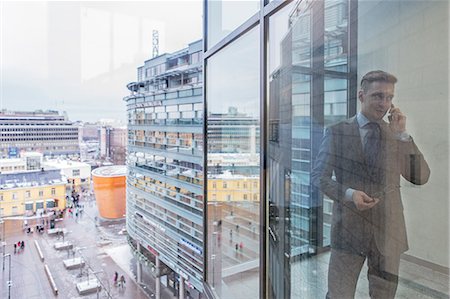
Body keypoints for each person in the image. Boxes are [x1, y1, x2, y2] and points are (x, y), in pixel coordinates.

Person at [312, 70, 430, 299]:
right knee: (339, 295)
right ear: (361, 95)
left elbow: (420, 176)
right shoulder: (337, 132)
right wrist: (349, 194)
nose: (384, 103)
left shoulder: (396, 135)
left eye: (389, 97)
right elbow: (319, 177)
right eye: (377, 96)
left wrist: (403, 136)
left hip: (388, 232)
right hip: (348, 231)